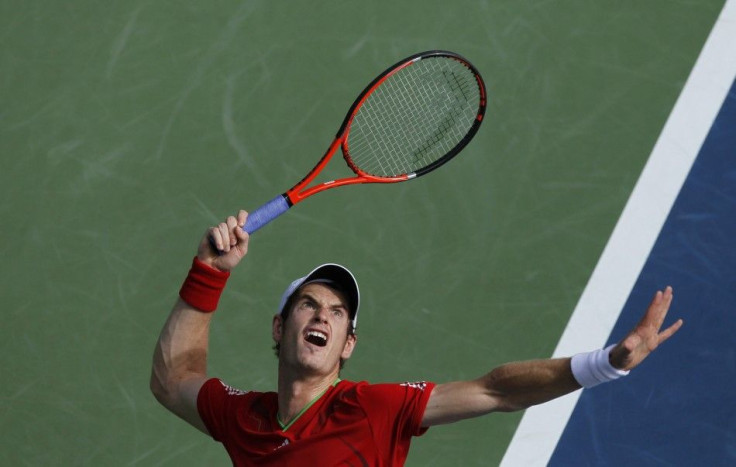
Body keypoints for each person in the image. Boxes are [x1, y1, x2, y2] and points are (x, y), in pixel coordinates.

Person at [150, 210, 683, 466]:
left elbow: (497, 390)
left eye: (339, 313)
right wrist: (208, 272)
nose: (324, 317)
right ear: (279, 326)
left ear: (348, 345)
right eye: (309, 304)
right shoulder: (246, 420)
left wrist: (608, 363)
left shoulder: (375, 409)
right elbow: (173, 379)